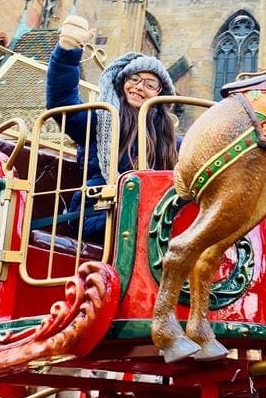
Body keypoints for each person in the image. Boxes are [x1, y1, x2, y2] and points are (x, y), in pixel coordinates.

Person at [45, 15, 178, 243]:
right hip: (99, 212)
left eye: (149, 83)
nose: (139, 87)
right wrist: (67, 54)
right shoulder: (103, 118)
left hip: (152, 219)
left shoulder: (169, 136)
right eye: (134, 79)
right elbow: (62, 104)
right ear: (122, 82)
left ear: (159, 92)